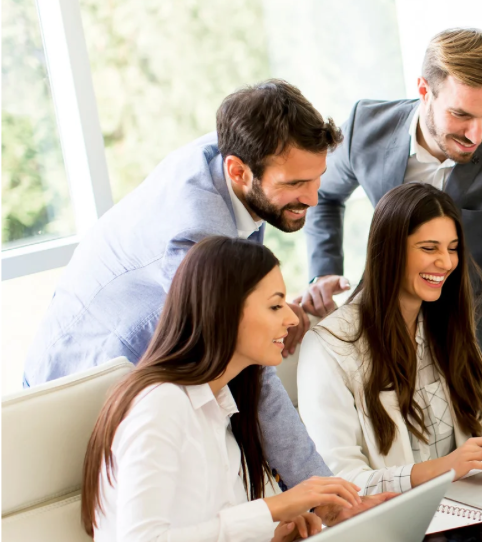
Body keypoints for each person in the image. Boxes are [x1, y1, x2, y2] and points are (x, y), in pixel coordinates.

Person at [23, 80, 338, 490]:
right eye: (294, 184)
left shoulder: (241, 151)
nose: (313, 198)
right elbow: (252, 369)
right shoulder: (195, 234)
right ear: (238, 171)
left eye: (317, 178)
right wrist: (324, 491)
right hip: (79, 384)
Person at [77, 237, 387, 542]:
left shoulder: (221, 404)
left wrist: (268, 539)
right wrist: (275, 507)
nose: (292, 319)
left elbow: (204, 538)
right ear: (224, 311)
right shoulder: (160, 405)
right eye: (275, 306)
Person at [301, 28, 482, 426]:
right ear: (424, 91)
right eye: (461, 115)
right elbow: (321, 194)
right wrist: (324, 268)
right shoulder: (365, 127)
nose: (476, 134)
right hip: (391, 340)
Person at [298, 183, 482, 495]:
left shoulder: (441, 324)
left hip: (464, 503)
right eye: (429, 248)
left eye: (452, 248)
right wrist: (445, 467)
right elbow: (341, 482)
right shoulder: (328, 346)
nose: (446, 262)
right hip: (397, 518)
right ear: (390, 250)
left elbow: (451, 442)